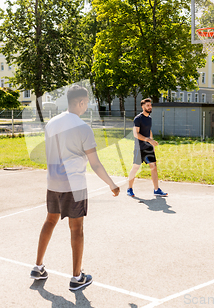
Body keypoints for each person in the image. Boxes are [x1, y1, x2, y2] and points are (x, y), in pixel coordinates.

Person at [30, 86, 120, 291]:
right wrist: (112, 184)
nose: (88, 106)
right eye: (86, 102)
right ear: (80, 102)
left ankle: (37, 266)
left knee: (49, 221)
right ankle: (76, 277)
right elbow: (95, 163)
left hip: (53, 181)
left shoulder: (52, 123)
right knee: (76, 228)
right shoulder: (83, 128)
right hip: (74, 184)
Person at [126, 98, 168, 198]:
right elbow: (136, 134)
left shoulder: (149, 118)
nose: (150, 107)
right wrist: (149, 140)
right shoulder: (138, 118)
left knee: (153, 167)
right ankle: (129, 188)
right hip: (139, 149)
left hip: (148, 148)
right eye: (148, 105)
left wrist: (152, 143)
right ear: (143, 106)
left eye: (150, 105)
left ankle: (157, 190)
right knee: (135, 168)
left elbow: (149, 131)